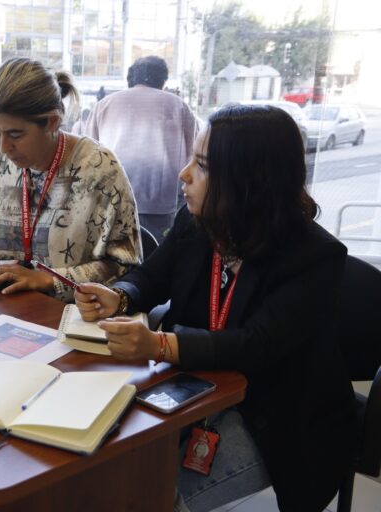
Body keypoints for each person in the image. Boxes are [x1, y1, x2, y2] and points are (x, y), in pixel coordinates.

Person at [75, 105, 357, 511]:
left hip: (274, 414)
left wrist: (158, 345)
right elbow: (152, 276)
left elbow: (256, 346)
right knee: (104, 467)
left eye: (202, 166)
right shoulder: (199, 222)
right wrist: (120, 295)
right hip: (193, 389)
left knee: (147, 495)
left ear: (248, 182)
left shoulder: (315, 257)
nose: (183, 174)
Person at [0, 57, 142, 303]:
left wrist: (50, 280)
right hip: (6, 309)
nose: (4, 147)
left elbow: (125, 267)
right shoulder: (2, 159)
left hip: (71, 316)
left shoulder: (99, 169)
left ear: (52, 122)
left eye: (15, 134)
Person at [85, 56, 198, 243]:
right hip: (161, 199)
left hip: (112, 196)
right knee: (155, 255)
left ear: (131, 78)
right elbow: (191, 155)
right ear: (163, 80)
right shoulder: (178, 106)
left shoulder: (105, 104)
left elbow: (89, 154)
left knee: (115, 252)